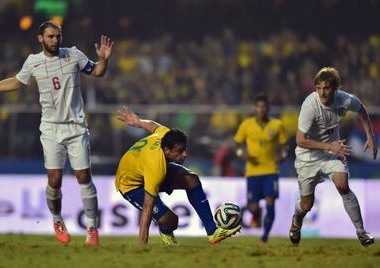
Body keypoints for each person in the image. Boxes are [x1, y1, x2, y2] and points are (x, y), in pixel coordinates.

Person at [0, 21, 114, 246]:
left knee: (84, 177)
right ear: (40, 38)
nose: (55, 40)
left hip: (76, 127)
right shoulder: (33, 62)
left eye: (58, 36)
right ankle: (57, 220)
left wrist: (104, 59)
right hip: (51, 128)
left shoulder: (73, 55)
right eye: (51, 36)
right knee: (54, 180)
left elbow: (98, 72)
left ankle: (92, 228)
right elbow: (16, 82)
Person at [116, 106, 241, 245]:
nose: (185, 154)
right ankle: (166, 233)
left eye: (185, 149)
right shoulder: (155, 167)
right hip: (130, 184)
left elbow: (153, 126)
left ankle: (212, 232)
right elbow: (147, 207)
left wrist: (138, 122)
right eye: (180, 151)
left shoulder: (166, 135)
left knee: (191, 179)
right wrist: (142, 245)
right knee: (171, 221)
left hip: (142, 168)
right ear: (167, 150)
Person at [290, 67, 377, 247]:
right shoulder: (310, 105)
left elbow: (361, 109)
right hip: (308, 157)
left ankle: (361, 232)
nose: (322, 92)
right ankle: (296, 223)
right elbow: (300, 140)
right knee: (306, 204)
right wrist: (331, 145)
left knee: (343, 185)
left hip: (331, 153)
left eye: (327, 88)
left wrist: (370, 136)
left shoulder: (344, 99)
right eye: (319, 88)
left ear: (335, 89)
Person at [234, 94, 288, 244]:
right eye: (259, 107)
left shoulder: (277, 125)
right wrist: (241, 153)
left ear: (268, 108)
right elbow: (237, 143)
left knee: (270, 201)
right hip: (252, 171)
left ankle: (264, 237)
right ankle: (256, 215)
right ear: (255, 108)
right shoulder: (246, 125)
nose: (262, 109)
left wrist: (282, 155)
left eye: (264, 107)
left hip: (271, 170)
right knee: (253, 207)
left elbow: (285, 146)